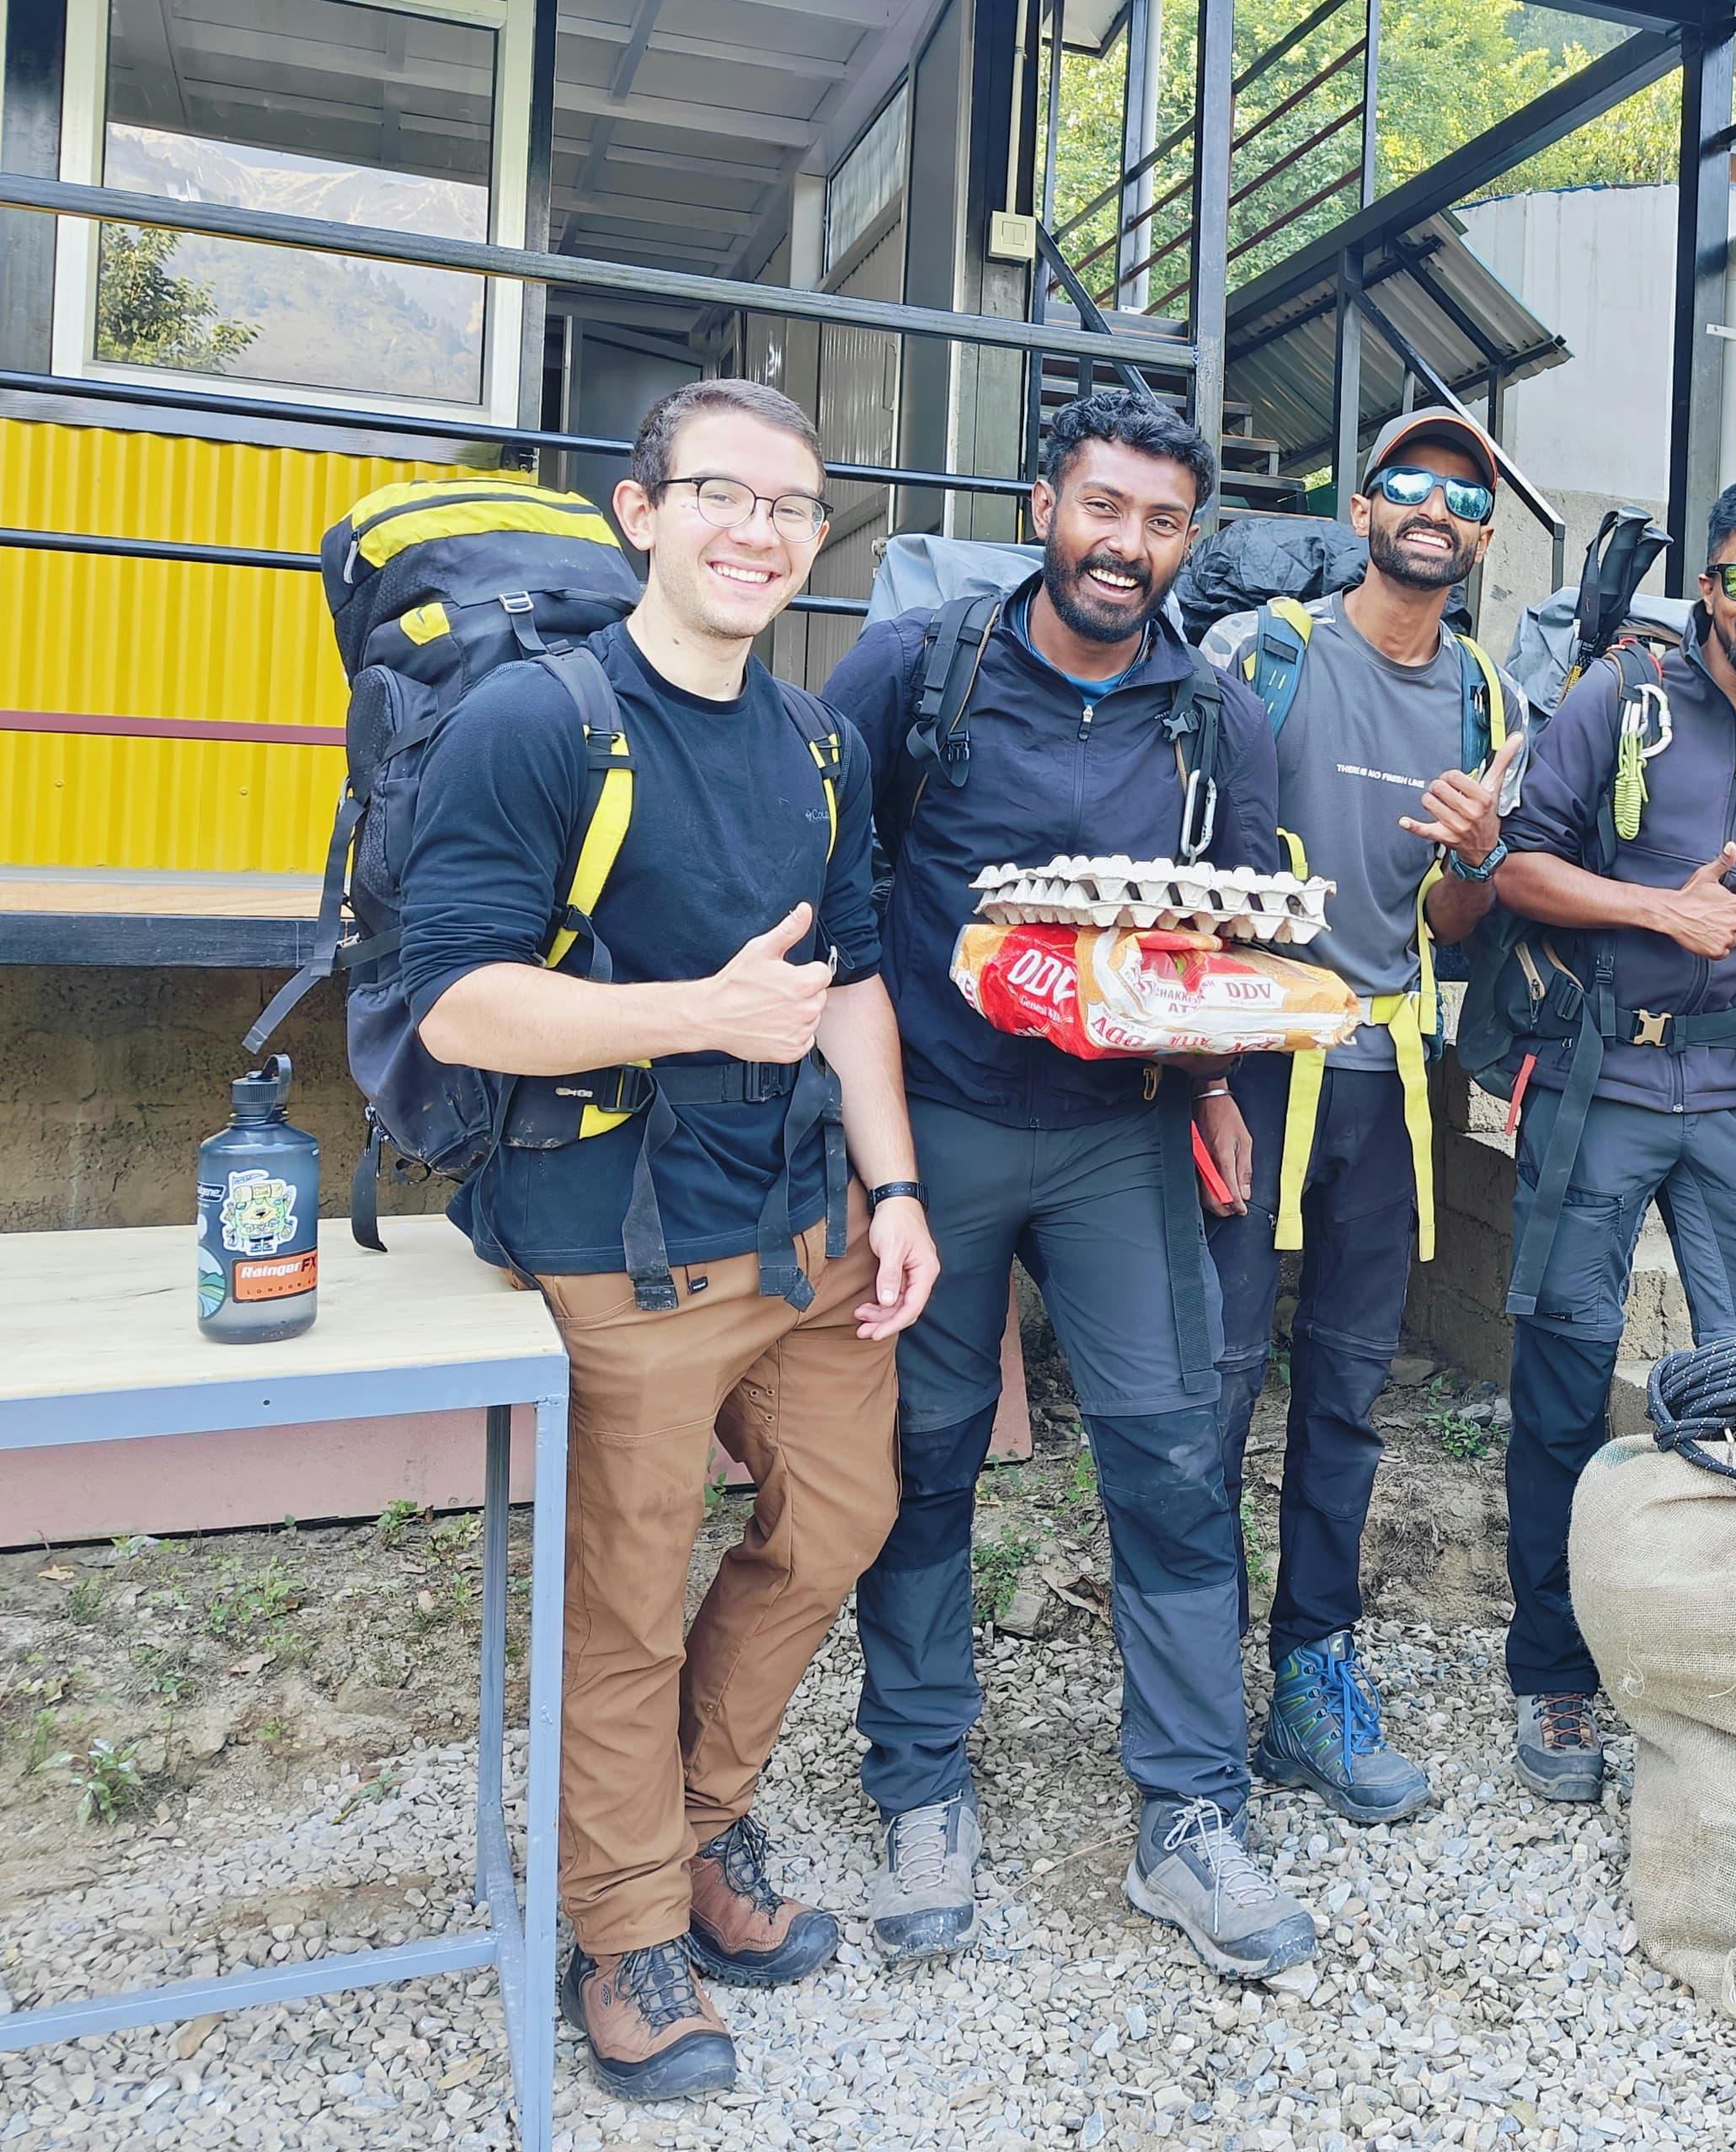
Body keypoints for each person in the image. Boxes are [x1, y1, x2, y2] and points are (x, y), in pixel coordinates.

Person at [405, 376, 938, 2106]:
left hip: (804, 1234)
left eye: (791, 507)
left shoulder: (817, 745)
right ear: (639, 513)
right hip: (610, 1246)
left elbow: (849, 983)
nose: (759, 532)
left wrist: (900, 1190)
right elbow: (461, 1012)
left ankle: (689, 1830)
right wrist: (694, 1012)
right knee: (625, 1601)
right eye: (721, 494)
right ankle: (625, 1927)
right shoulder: (538, 725)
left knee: (839, 1524)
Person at [825, 387, 1306, 1983]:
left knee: (1173, 1460)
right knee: (927, 1455)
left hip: (1120, 1134)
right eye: (1103, 507)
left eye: (1164, 521)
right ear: (1046, 506)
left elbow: (1224, 922)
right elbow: (836, 891)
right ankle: (919, 1783)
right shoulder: (921, 670)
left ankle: (1189, 1813)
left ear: (1190, 539)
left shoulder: (1214, 714)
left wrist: (1220, 1083)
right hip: (941, 1132)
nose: (1129, 545)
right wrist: (856, 1129)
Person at [1482, 474, 1736, 1803]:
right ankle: (1552, 1672)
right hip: (1602, 1079)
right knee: (1562, 1372)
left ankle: (1730, 1655)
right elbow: (1517, 867)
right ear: (1710, 583)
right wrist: (1661, 913)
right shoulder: (1623, 698)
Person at [1208, 408, 1527, 1826]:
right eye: (1409, 483)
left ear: (1480, 533)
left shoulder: (1486, 694)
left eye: (1462, 494)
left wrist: (1479, 852)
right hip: (1252, 1061)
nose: (1433, 507)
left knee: (1346, 1386)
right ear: (1361, 503)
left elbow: (1451, 921)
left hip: (1385, 1077)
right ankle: (1188, 1689)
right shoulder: (1264, 653)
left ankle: (1310, 1675)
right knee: (1210, 1382)